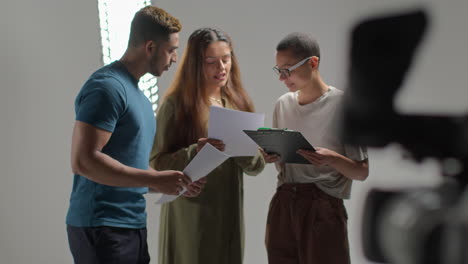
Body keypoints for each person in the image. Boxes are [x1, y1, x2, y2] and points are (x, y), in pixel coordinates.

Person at [66, 6, 205, 264]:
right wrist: (155, 179)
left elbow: (129, 169)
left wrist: (173, 184)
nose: (175, 59)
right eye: (171, 50)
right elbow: (83, 161)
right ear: (150, 47)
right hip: (101, 225)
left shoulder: (139, 97)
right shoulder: (107, 88)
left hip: (132, 225)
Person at [150, 27, 265, 264]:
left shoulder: (237, 102)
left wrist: (247, 149)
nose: (221, 68)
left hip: (228, 210)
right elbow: (157, 161)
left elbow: (255, 167)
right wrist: (194, 151)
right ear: (195, 64)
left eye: (226, 59)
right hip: (191, 213)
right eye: (211, 61)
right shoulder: (176, 105)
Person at [262, 32, 369, 264]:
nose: (282, 78)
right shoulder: (283, 105)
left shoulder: (343, 106)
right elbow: (284, 166)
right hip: (284, 202)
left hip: (324, 205)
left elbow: (361, 172)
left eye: (287, 69)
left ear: (313, 63)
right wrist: (273, 154)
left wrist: (332, 158)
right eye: (278, 70)